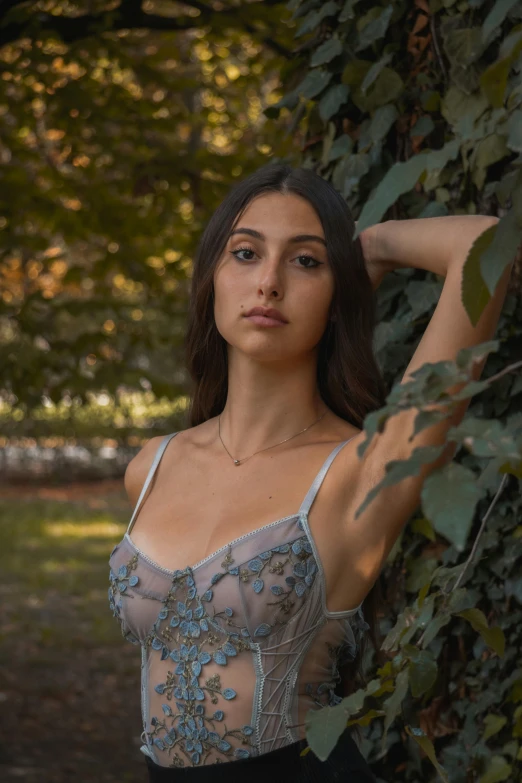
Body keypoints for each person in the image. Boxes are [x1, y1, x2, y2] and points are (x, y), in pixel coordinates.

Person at [108, 163, 511, 781]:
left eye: (305, 262)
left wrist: (365, 250)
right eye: (245, 253)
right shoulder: (152, 466)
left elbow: (486, 245)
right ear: (211, 277)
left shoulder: (367, 468)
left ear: (338, 290)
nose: (268, 282)